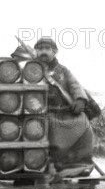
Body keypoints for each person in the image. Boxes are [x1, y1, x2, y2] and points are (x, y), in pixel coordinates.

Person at [33, 36, 94, 177]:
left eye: (47, 49)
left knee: (84, 125)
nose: (43, 52)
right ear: (35, 51)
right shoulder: (31, 69)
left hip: (62, 111)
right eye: (40, 49)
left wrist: (80, 100)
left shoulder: (63, 70)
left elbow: (74, 85)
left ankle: (78, 164)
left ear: (55, 51)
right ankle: (48, 163)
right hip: (38, 113)